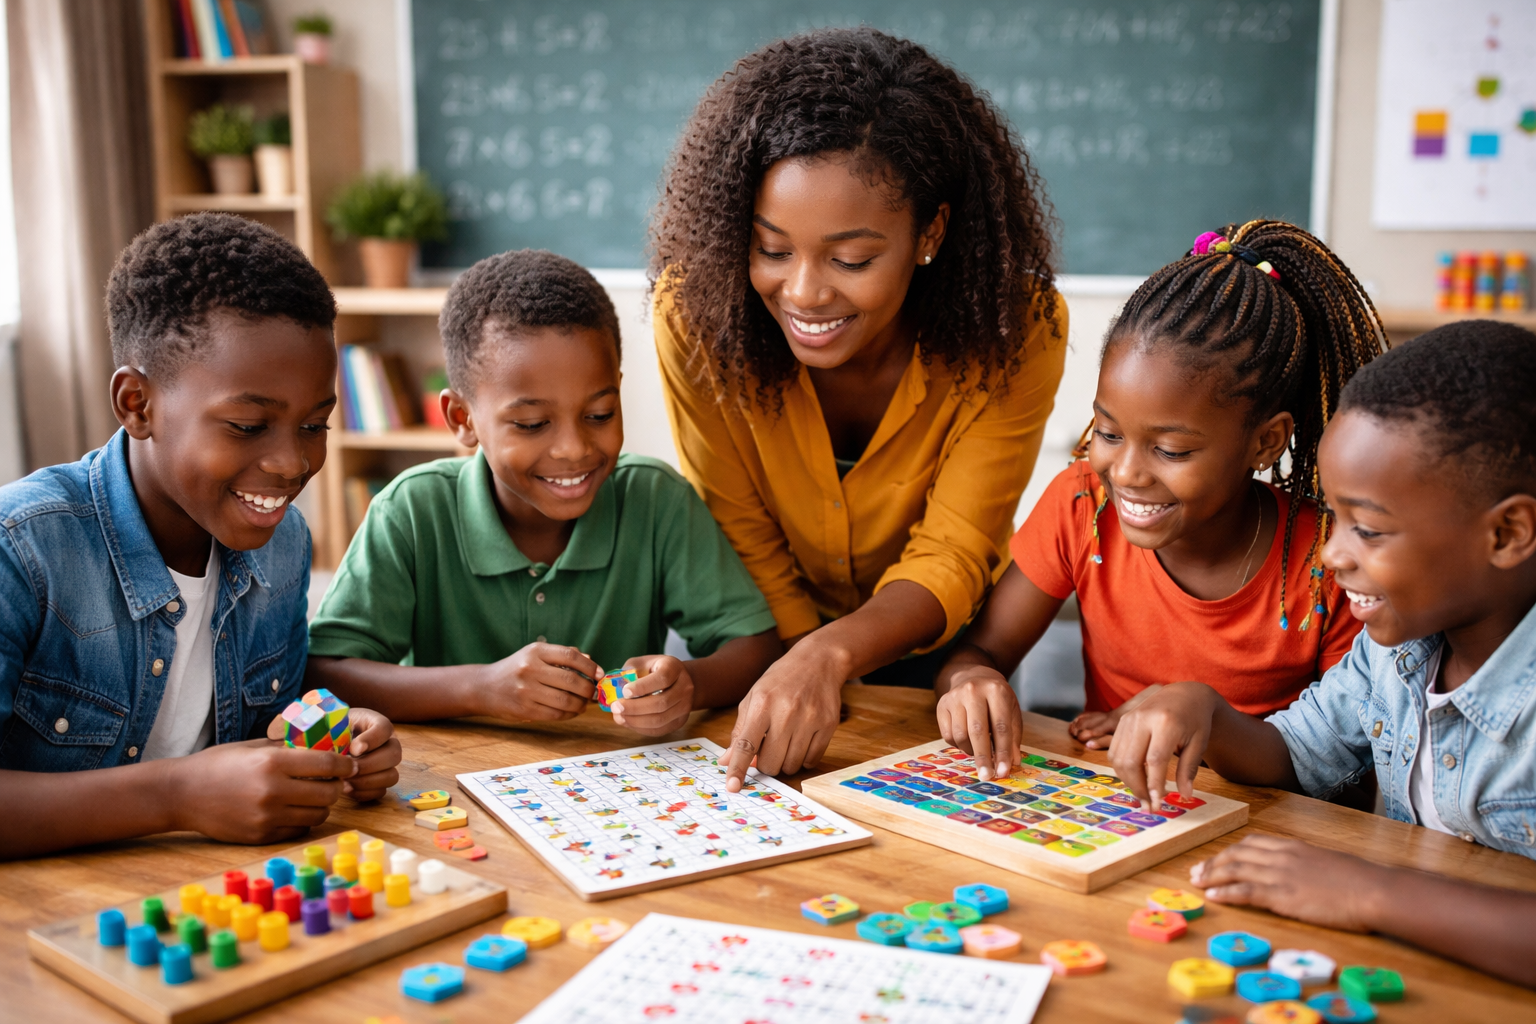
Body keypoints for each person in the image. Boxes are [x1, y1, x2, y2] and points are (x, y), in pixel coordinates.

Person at [650, 27, 1066, 789]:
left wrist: (829, 656)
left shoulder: (1016, 327)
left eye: (851, 259)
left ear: (930, 233)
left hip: (938, 648)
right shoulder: (695, 314)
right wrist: (804, 657)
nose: (805, 292)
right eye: (771, 249)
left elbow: (955, 547)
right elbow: (738, 525)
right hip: (759, 636)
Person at [1110, 322, 1536, 987]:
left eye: (1367, 528)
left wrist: (1370, 894)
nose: (1333, 555)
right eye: (1333, 518)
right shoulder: (1394, 652)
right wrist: (1206, 711)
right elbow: (1297, 758)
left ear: (1507, 533)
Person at [0, 214, 401, 860]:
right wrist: (175, 795)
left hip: (204, 900)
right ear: (138, 405)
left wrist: (330, 732)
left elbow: (267, 713)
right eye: (248, 425)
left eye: (314, 426)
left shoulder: (284, 543)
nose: (291, 464)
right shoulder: (21, 549)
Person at [934, 221, 1381, 779]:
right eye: (1109, 432)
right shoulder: (1084, 506)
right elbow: (980, 652)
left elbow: (1344, 763)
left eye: (1170, 450)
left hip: (1268, 832)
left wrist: (1198, 722)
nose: (1124, 472)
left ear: (1266, 441)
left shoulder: (1331, 562)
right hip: (1113, 809)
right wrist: (970, 680)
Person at [307, 250, 780, 736]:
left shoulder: (655, 500)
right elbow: (329, 672)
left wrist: (690, 684)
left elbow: (754, 647)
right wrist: (479, 687)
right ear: (462, 420)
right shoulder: (410, 511)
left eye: (599, 414)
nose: (574, 450)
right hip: (447, 788)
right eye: (532, 424)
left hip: (610, 792)